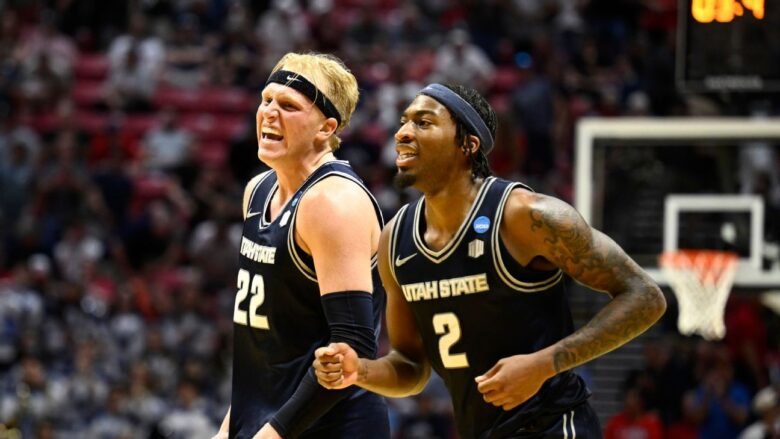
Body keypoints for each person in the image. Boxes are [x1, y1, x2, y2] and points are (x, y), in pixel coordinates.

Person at [313, 83, 667, 438]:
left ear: (468, 145)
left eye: (423, 122)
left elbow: (645, 296)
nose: (402, 133)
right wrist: (359, 370)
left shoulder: (526, 217)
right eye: (404, 121)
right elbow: (411, 367)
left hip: (552, 426)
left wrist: (543, 365)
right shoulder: (396, 240)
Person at [213, 52, 389, 439]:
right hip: (267, 422)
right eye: (266, 100)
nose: (269, 113)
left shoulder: (334, 203)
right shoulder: (258, 190)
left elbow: (354, 346)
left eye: (289, 106)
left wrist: (272, 435)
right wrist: (229, 429)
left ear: (326, 128)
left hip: (331, 428)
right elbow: (263, 353)